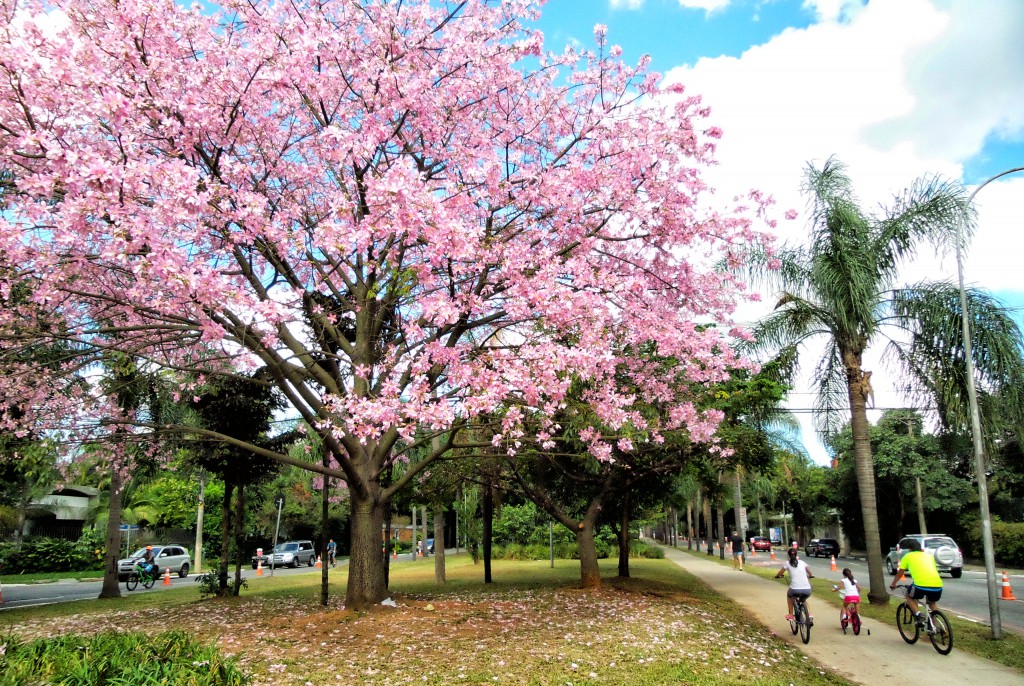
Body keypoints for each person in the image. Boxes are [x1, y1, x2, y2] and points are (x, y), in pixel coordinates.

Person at [889, 538, 942, 624]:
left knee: (909, 596)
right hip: (937, 585)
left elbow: (900, 573)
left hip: (920, 585)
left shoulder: (907, 556)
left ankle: (918, 614)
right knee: (932, 603)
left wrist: (893, 584)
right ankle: (935, 628)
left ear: (909, 549)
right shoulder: (929, 556)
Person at [775, 547, 814, 623]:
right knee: (804, 600)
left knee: (789, 596)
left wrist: (777, 576)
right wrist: (810, 576)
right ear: (796, 555)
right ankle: (809, 615)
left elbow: (780, 573)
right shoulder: (802, 562)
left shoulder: (787, 563)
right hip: (807, 589)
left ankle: (790, 615)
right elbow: (810, 573)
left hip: (794, 589)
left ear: (788, 555)